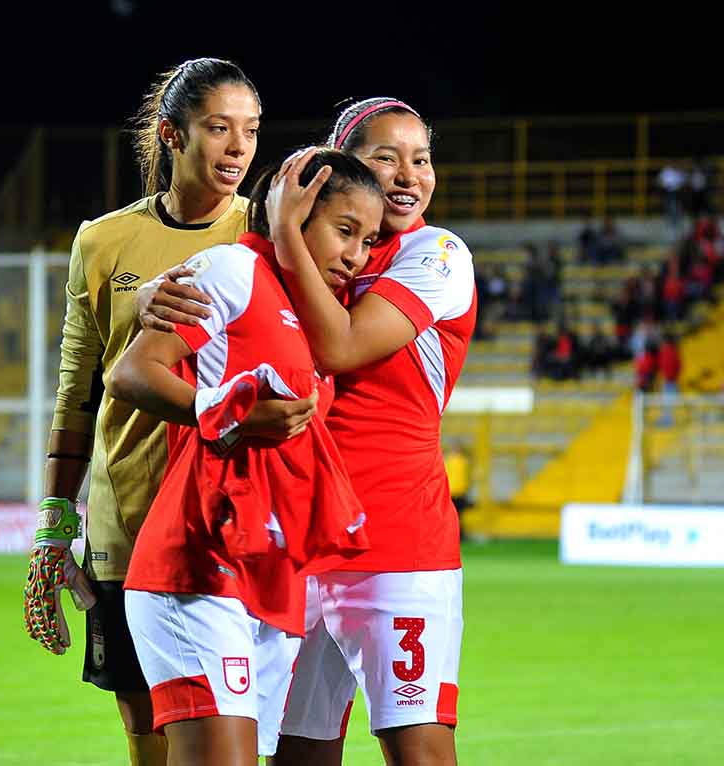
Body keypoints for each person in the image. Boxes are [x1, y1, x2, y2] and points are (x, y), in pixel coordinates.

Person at [139, 99, 476, 766]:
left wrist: (291, 235)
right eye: (385, 157)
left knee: (419, 750)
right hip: (295, 540)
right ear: (337, 170)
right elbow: (231, 278)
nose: (407, 174)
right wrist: (153, 294)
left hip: (398, 544)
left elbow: (342, 347)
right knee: (298, 752)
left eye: (422, 158)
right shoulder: (323, 248)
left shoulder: (435, 254)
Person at [21, 57, 264, 766]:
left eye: (249, 130)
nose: (237, 148)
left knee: (243, 726)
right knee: (146, 733)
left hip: (232, 519)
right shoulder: (103, 241)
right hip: (128, 514)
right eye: (217, 128)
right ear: (171, 135)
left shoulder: (272, 236)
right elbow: (77, 392)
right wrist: (52, 528)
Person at [109, 150, 381, 763]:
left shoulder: (323, 319)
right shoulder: (234, 268)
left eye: (368, 240)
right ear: (293, 213)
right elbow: (132, 373)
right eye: (345, 231)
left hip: (273, 578)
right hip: (200, 563)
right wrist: (228, 414)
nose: (356, 257)